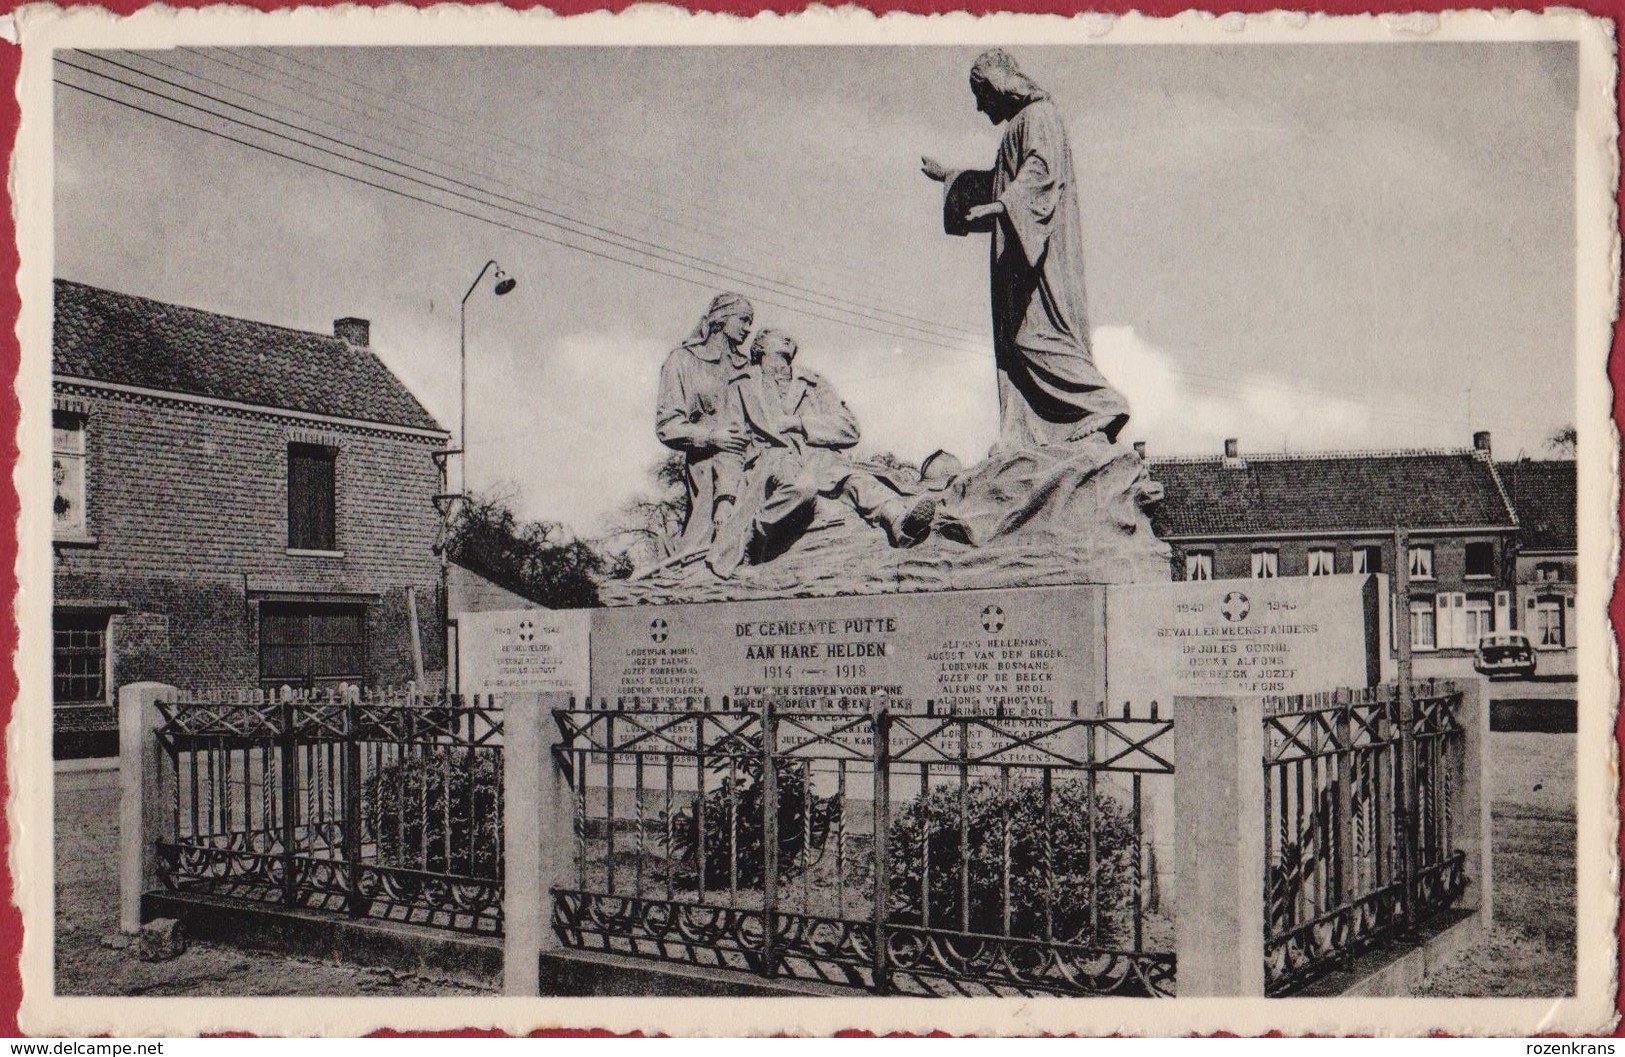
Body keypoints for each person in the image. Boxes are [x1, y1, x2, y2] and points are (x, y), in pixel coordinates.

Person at [921, 48, 1130, 455]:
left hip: (1039, 259)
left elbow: (1039, 172)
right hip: (1018, 255)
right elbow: (1000, 182)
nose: (980, 108)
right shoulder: (1020, 123)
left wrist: (1003, 206)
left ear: (998, 86)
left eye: (982, 96)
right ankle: (1025, 432)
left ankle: (1102, 402)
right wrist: (949, 176)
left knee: (1033, 336)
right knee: (1016, 343)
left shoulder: (1039, 116)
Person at [708, 329, 936, 577]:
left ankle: (901, 523)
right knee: (802, 487)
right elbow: (730, 447)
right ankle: (751, 539)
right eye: (777, 335)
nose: (788, 338)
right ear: (760, 347)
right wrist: (725, 499)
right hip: (771, 459)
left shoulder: (813, 383)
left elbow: (849, 429)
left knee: (858, 481)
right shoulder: (740, 385)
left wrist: (800, 423)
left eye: (789, 336)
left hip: (820, 457)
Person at [654, 293, 755, 555]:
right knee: (711, 540)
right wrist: (711, 436)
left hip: (752, 458)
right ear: (721, 318)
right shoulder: (682, 360)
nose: (748, 329)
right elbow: (667, 425)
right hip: (706, 462)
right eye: (743, 320)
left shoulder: (747, 366)